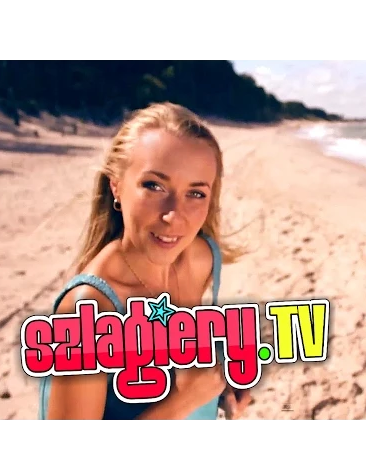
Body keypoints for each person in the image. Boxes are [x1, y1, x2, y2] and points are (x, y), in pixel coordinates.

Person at [38, 102, 251, 420]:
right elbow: (183, 395)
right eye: (154, 186)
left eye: (195, 193)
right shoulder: (89, 309)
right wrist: (183, 402)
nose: (173, 216)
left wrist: (222, 386)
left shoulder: (202, 258)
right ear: (117, 186)